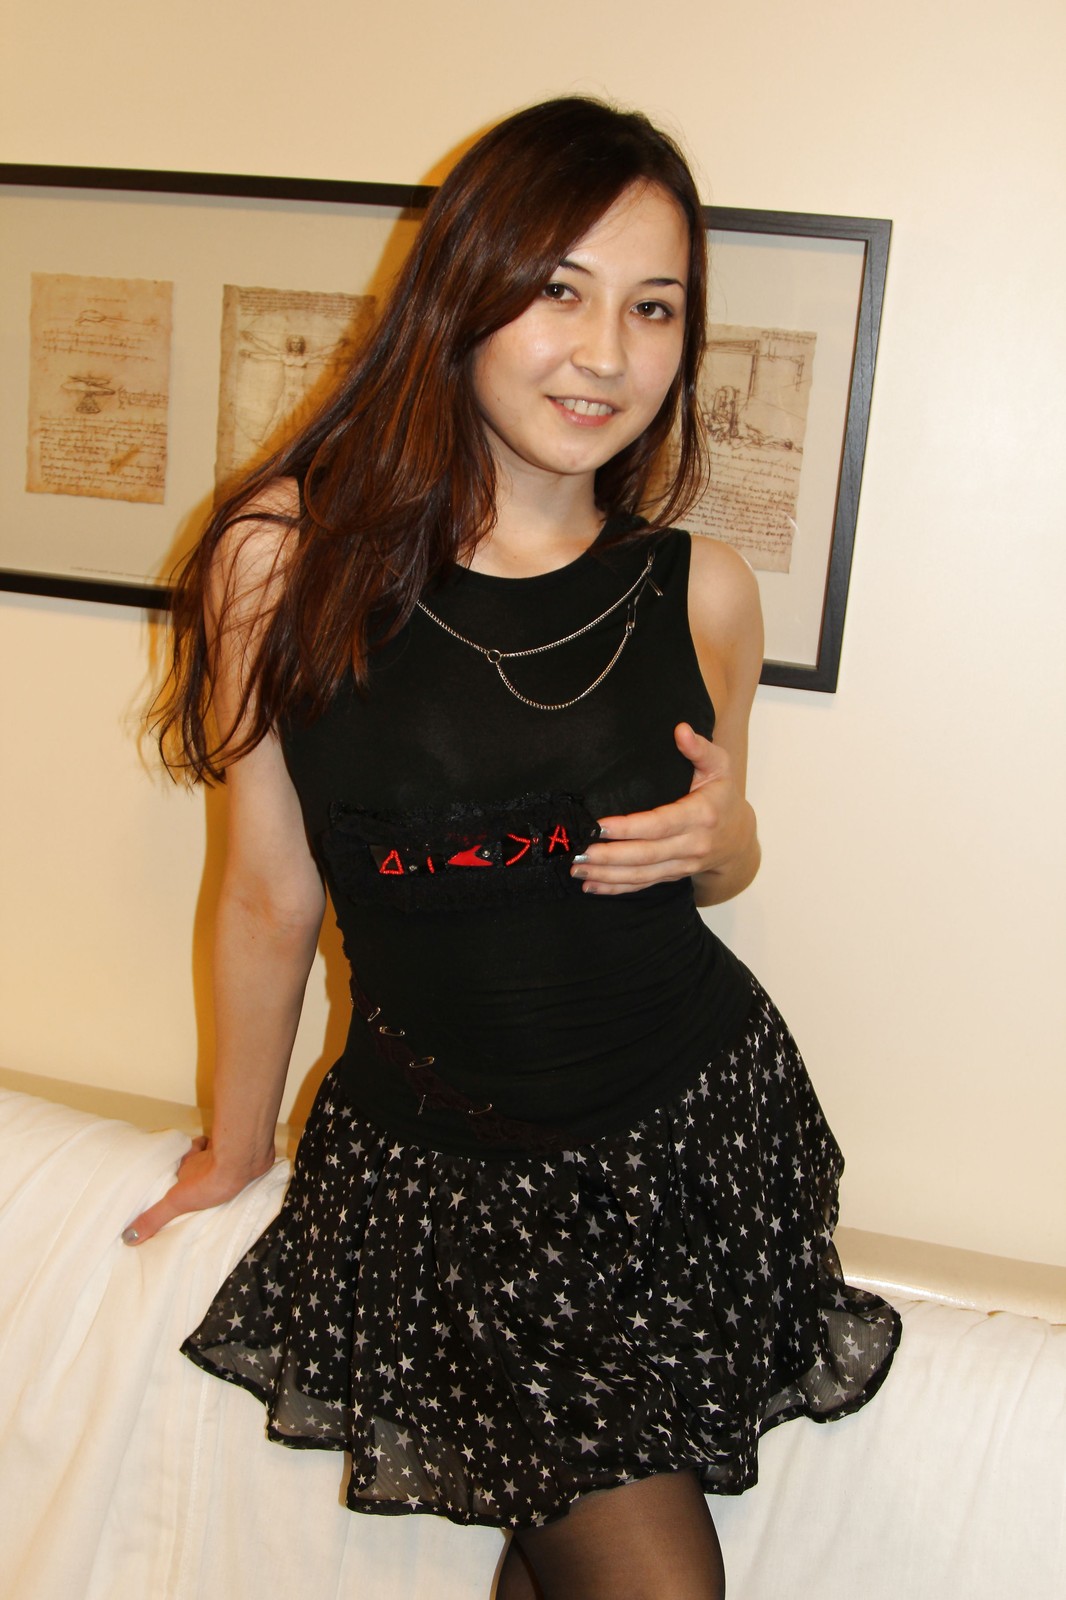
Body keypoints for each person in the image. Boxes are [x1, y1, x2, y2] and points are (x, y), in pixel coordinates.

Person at [130, 98, 900, 1600]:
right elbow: (269, 892)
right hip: (448, 1179)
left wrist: (731, 836)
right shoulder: (282, 561)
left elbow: (717, 860)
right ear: (461, 293)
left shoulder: (702, 591)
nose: (606, 353)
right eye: (559, 289)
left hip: (684, 1137)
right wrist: (237, 1140)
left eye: (653, 307)